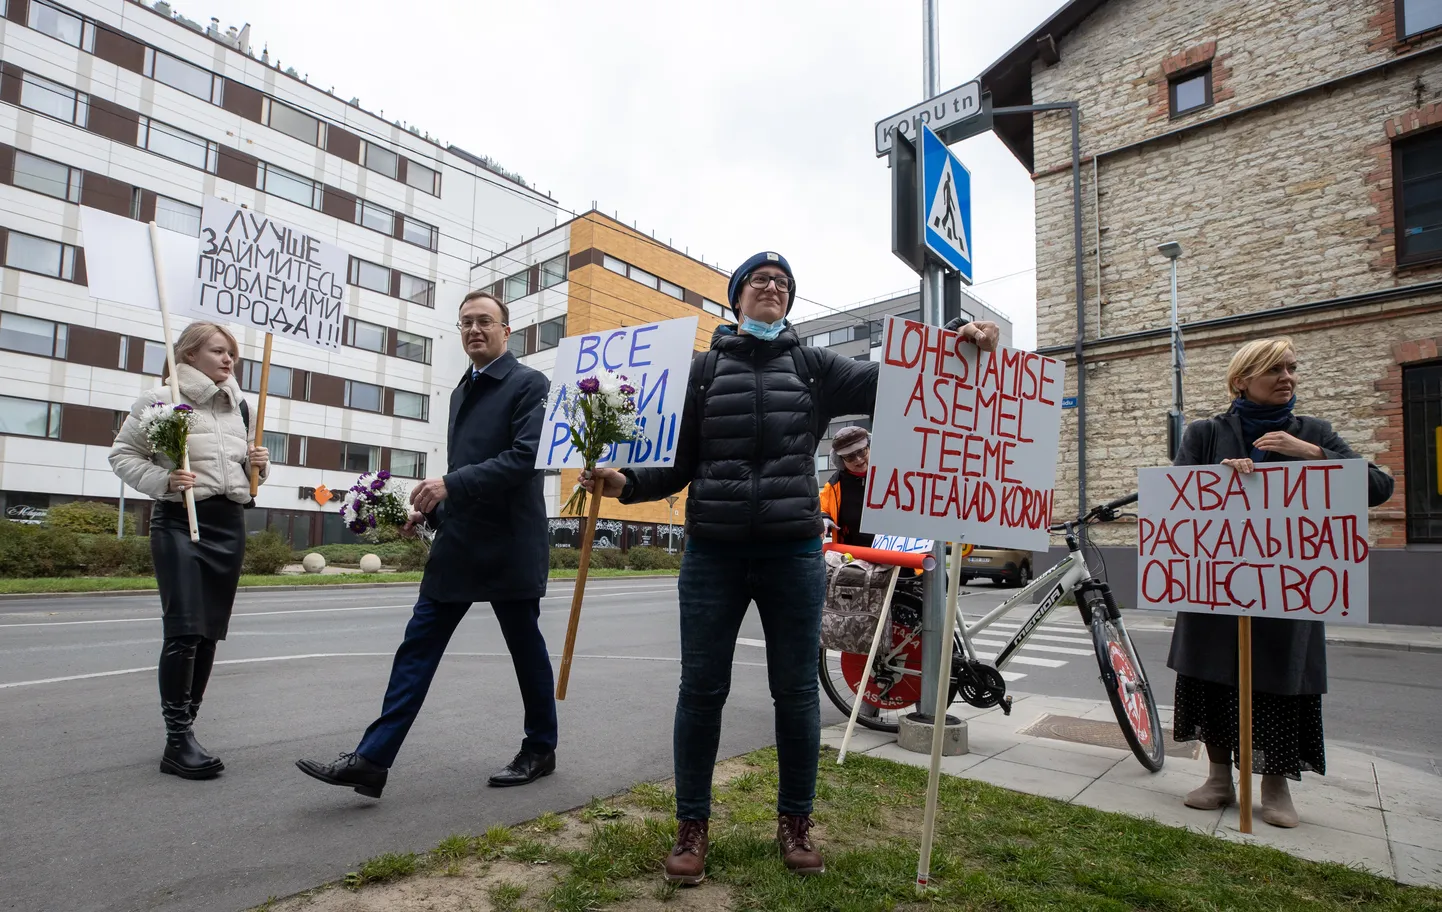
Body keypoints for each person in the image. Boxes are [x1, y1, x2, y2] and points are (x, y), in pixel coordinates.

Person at [584, 251, 1000, 885]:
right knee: (700, 693)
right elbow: (677, 464)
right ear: (737, 297)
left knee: (797, 693)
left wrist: (960, 345)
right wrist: (625, 482)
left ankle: (796, 823)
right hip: (712, 554)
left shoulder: (814, 367)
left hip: (794, 553)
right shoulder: (700, 372)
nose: (772, 288)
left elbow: (898, 379)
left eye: (782, 283)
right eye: (760, 281)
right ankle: (691, 827)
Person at [296, 290, 557, 798]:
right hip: (459, 544)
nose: (474, 330)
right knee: (416, 648)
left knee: (526, 650)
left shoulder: (530, 384)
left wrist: (450, 487)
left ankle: (540, 748)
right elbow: (463, 472)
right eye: (465, 324)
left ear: (508, 332)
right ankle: (372, 760)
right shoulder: (461, 391)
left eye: (484, 321)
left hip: (509, 546)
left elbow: (527, 459)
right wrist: (432, 509)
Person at [1167, 337, 1393, 827]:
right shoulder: (1204, 434)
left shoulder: (1315, 432)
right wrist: (1219, 481)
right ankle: (1219, 778)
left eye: (1291, 368)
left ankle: (1275, 788)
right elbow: (1178, 499)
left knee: (1279, 687)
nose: (1287, 377)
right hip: (1219, 589)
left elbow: (1377, 487)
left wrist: (1311, 454)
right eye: (1274, 370)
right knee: (1215, 680)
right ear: (1242, 380)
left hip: (1288, 595)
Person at [109, 321, 269, 780]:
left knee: (208, 632)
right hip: (180, 520)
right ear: (189, 354)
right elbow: (122, 454)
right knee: (184, 628)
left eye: (232, 355)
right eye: (219, 351)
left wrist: (260, 464)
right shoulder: (161, 400)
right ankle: (176, 740)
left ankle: (188, 731)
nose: (228, 361)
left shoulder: (239, 404)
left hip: (228, 522)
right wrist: (164, 481)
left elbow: (241, 469)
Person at [818, 426, 874, 547]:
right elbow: (821, 508)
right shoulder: (834, 486)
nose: (858, 460)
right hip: (854, 557)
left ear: (870, 447)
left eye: (861, 451)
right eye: (850, 456)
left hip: (900, 556)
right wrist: (823, 518)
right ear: (840, 460)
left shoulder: (893, 474)